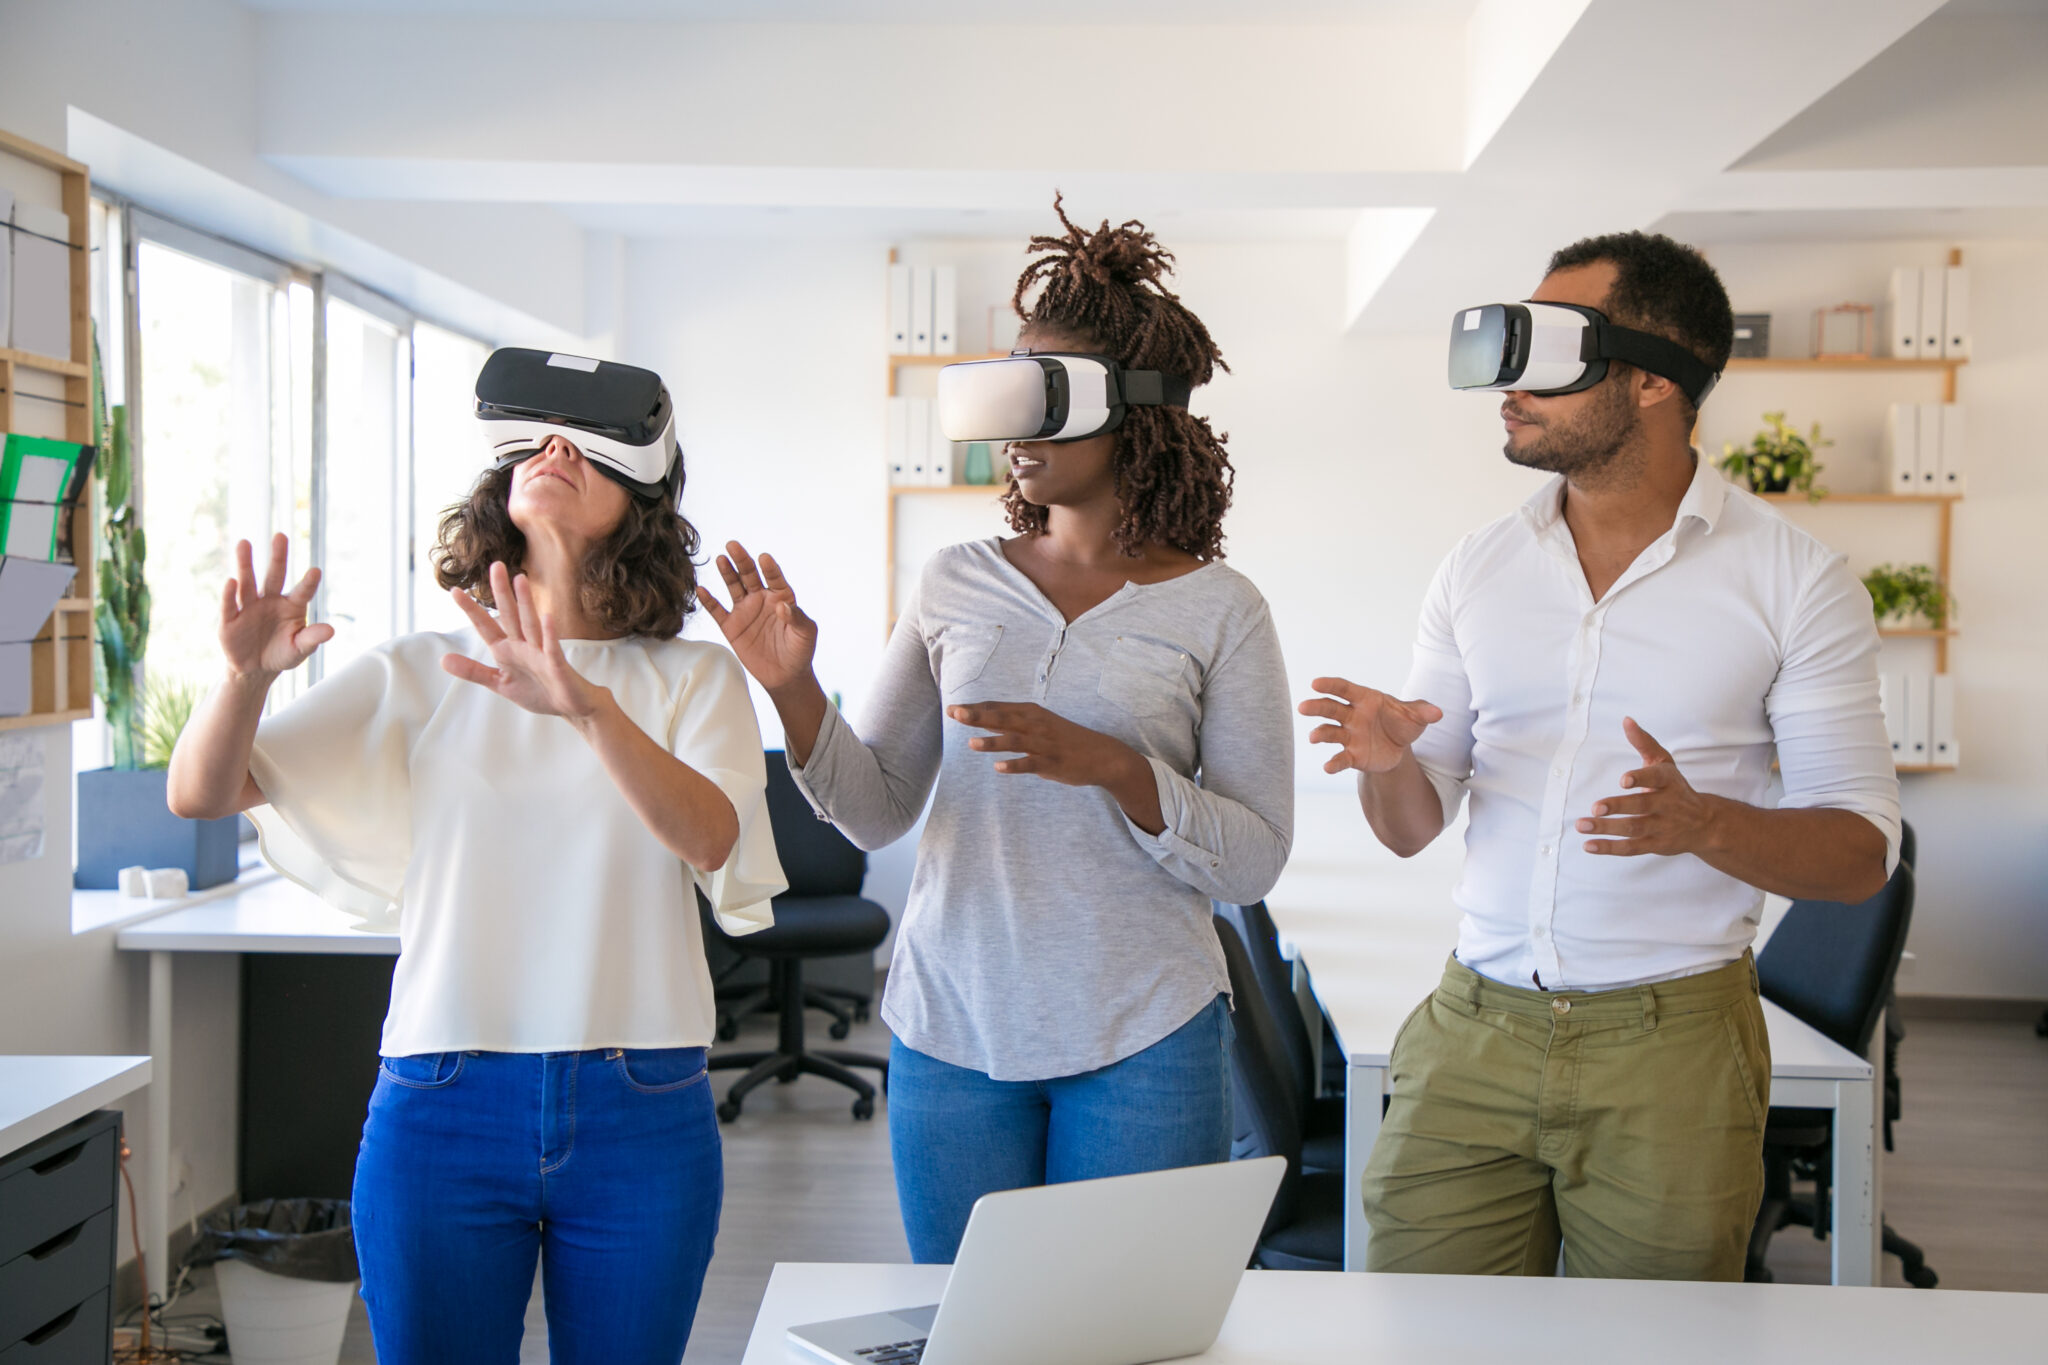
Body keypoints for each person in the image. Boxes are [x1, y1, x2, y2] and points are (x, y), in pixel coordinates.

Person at [700, 201, 1295, 1263]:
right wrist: (793, 694)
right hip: (951, 1026)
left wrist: (1118, 770)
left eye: (1046, 398)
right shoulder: (955, 580)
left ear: (1138, 413)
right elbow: (877, 807)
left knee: (1122, 1336)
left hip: (1145, 1032)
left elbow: (1251, 861)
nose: (1016, 433)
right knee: (967, 1325)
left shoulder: (1221, 608)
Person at [1301, 231, 1900, 1281]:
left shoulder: (1794, 582)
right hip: (1468, 1030)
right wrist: (1389, 762)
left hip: (1670, 1049)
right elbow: (1407, 834)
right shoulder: (1477, 569)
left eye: (1545, 352)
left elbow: (1857, 858)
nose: (1505, 386)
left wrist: (1703, 823)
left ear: (1649, 380)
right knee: (1422, 1340)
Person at [166, 352, 784, 1363]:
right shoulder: (421, 669)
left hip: (641, 1106)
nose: (553, 451)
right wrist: (240, 681)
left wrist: (585, 710)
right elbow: (204, 792)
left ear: (639, 499)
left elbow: (712, 838)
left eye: (584, 445)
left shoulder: (691, 677)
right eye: (536, 439)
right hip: (443, 1103)